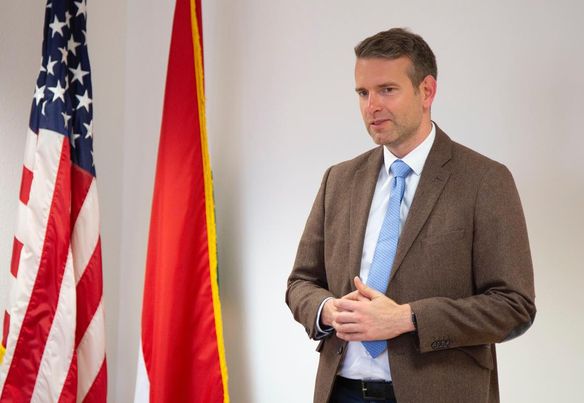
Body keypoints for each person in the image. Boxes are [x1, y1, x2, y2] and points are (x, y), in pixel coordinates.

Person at [285, 28, 536, 403]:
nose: (372, 106)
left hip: (440, 394)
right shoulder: (339, 179)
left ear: (427, 91)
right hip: (341, 391)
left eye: (387, 89)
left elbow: (514, 306)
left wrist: (408, 318)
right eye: (363, 93)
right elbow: (301, 281)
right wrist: (327, 311)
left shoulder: (485, 180)